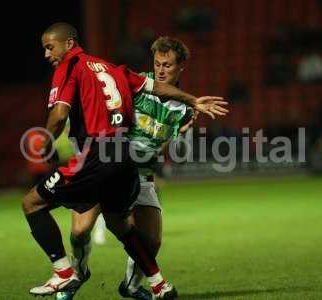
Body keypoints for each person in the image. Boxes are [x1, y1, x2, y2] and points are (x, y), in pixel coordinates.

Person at [21, 23, 228, 299]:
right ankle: (81, 272)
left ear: (181, 68)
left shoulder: (183, 111)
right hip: (110, 159)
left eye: (167, 65)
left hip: (134, 171)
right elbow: (116, 102)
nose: (161, 69)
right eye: (157, 64)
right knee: (82, 230)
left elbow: (163, 144)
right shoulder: (134, 81)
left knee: (150, 239)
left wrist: (187, 113)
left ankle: (124, 284)